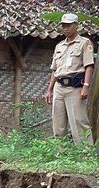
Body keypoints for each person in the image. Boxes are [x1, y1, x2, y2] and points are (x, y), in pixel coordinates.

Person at [45, 13, 94, 144]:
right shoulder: (59, 46)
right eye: (63, 26)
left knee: (79, 121)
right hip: (59, 87)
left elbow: (89, 66)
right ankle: (59, 153)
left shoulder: (84, 43)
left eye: (68, 25)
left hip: (75, 87)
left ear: (76, 26)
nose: (65, 28)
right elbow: (55, 70)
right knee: (58, 123)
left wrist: (86, 86)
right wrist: (50, 90)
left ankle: (85, 153)